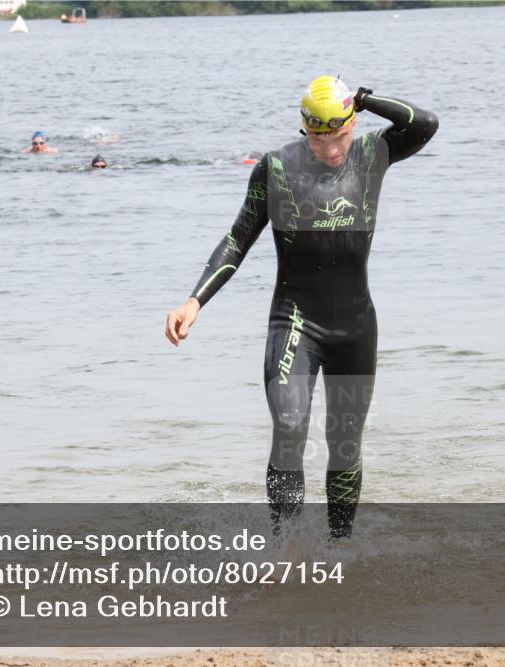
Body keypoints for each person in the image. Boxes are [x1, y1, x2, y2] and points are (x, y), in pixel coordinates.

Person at [165, 75, 438, 539]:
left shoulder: (373, 154)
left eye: (340, 135)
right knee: (290, 426)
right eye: (319, 136)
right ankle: (286, 547)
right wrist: (195, 300)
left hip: (354, 327)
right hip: (295, 321)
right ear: (303, 127)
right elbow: (237, 240)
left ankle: (339, 548)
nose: (331, 148)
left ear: (353, 123)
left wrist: (367, 98)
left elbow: (424, 124)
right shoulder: (275, 169)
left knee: (345, 444)